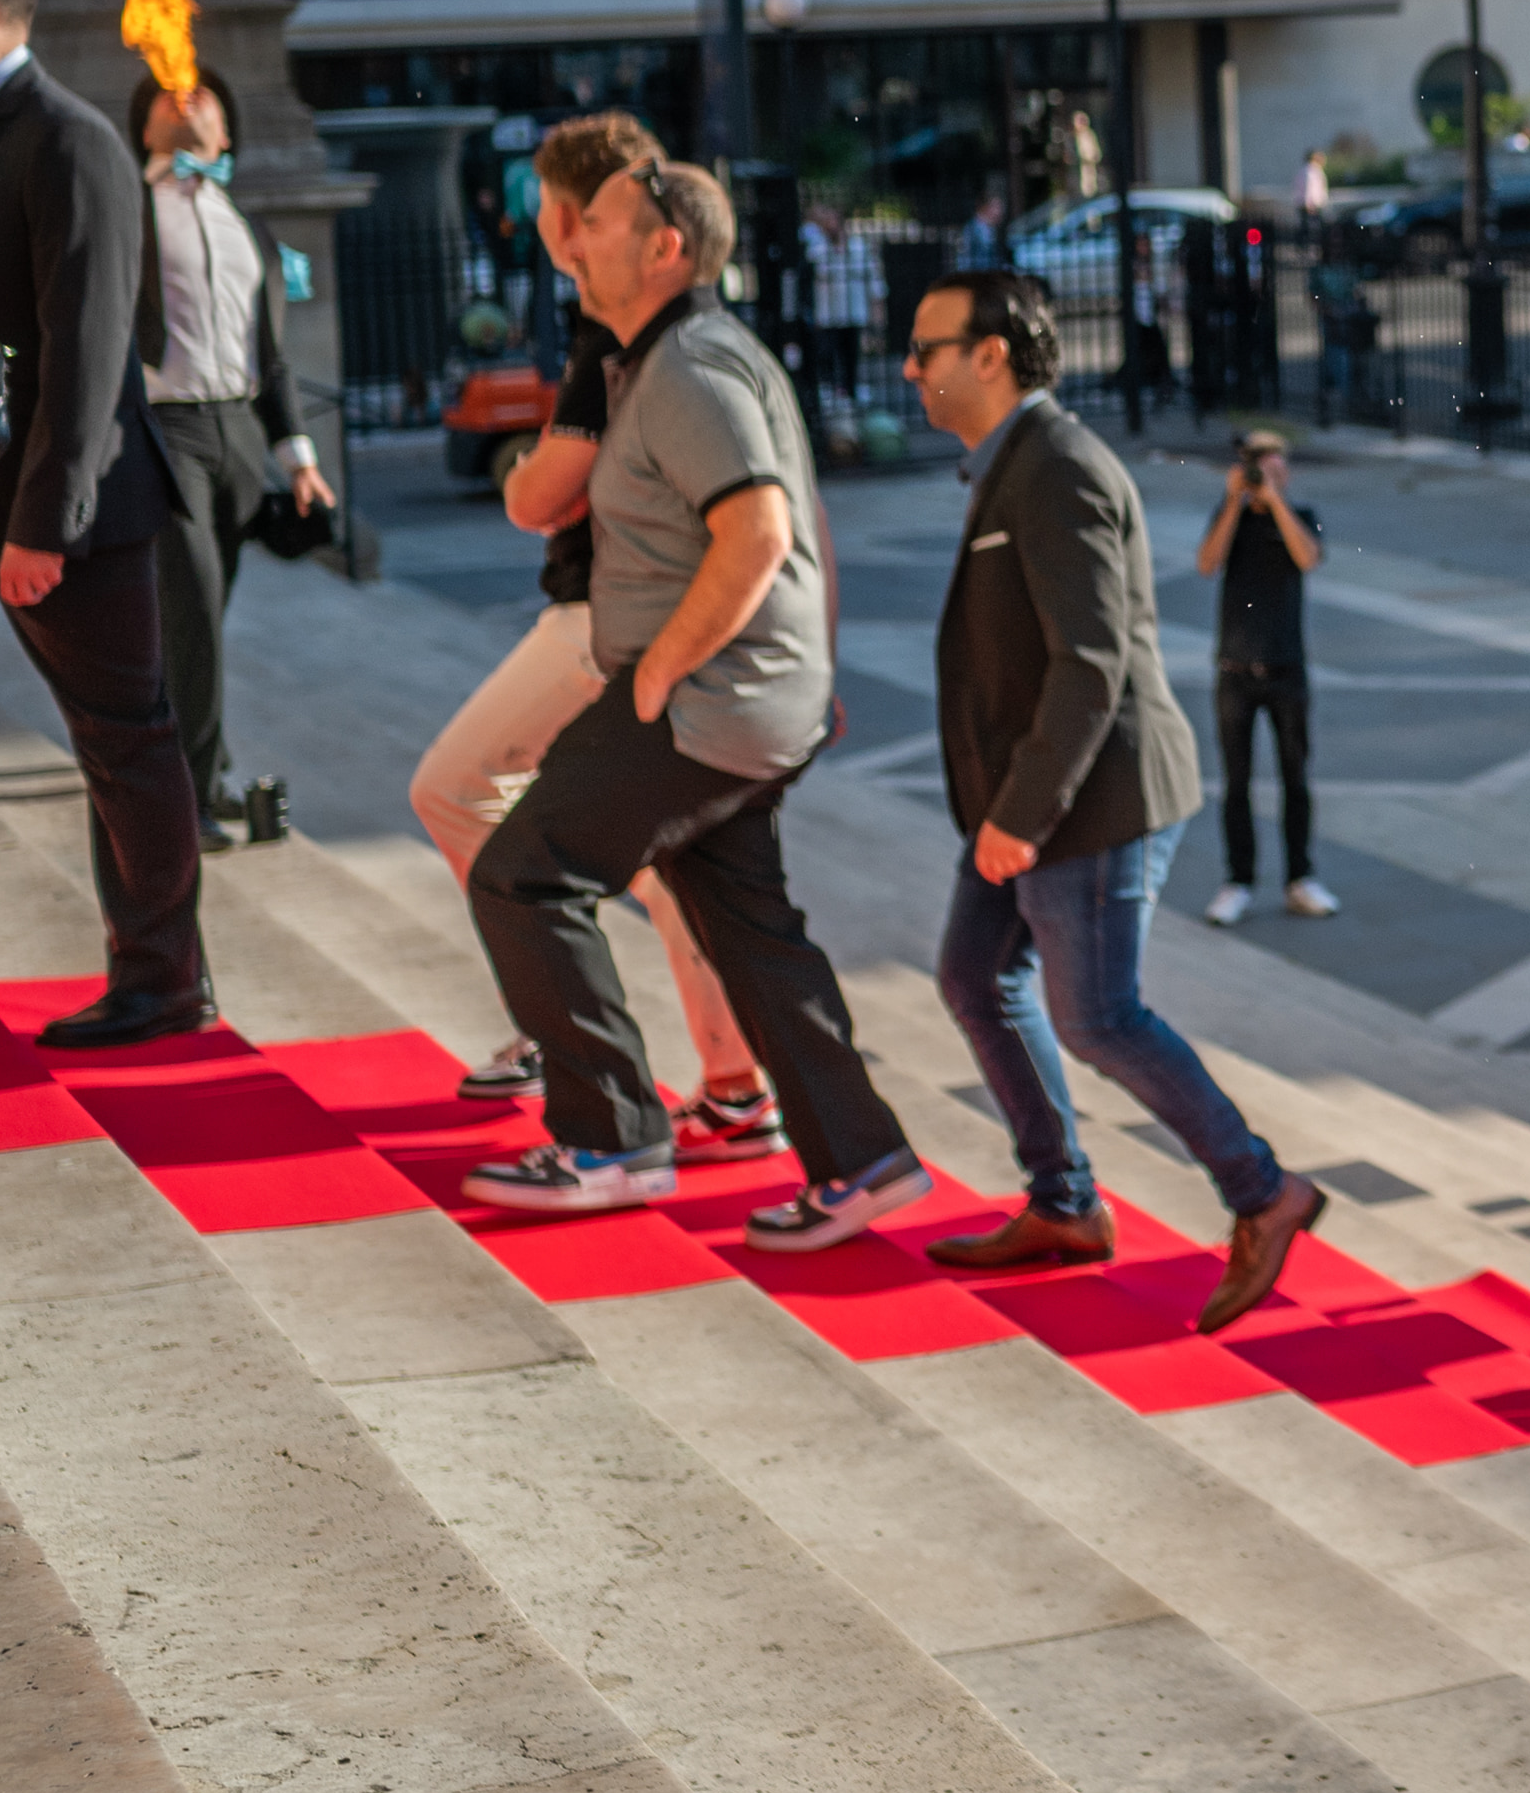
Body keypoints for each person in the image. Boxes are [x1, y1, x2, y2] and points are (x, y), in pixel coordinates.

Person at [453, 153, 922, 1248]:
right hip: (744, 699)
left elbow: (760, 529)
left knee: (524, 871)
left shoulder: (691, 367)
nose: (575, 242)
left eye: (600, 223)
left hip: (703, 698)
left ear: (665, 249)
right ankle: (864, 1158)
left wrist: (659, 672)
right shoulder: (670, 358)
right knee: (746, 925)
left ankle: (613, 1140)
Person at [901, 271, 1325, 1333]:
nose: (909, 368)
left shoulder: (1058, 468)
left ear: (990, 354)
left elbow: (1091, 664)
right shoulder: (1013, 463)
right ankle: (1065, 1201)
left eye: (926, 348)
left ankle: (1263, 1192)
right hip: (1031, 792)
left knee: (1099, 1016)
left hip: (1089, 796)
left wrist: (1021, 816)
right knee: (973, 975)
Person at [419, 113, 767, 1152]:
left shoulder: (622, 335)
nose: (550, 229)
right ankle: (729, 1080)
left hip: (605, 620)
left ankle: (562, 1022)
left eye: (555, 207)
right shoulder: (679, 329)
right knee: (660, 862)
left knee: (457, 792)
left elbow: (541, 498)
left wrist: (531, 476)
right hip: (637, 619)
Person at [0, 0, 203, 1047]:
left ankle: (163, 980)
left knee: (125, 739)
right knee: (124, 739)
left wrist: (44, 525)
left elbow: (91, 348)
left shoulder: (69, 138)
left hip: (63, 506)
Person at [131, 70, 330, 849]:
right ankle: (190, 798)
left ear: (225, 133)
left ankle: (193, 769)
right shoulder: (128, 209)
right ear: (144, 130)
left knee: (201, 618)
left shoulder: (249, 226)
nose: (186, 96)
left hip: (238, 435)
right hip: (166, 429)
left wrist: (299, 458)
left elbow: (271, 358)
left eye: (206, 94)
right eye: (166, 95)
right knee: (193, 608)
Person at [1192, 427, 1330, 925]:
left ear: (1285, 471)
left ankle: (1300, 877)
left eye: (1273, 466)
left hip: (1286, 669)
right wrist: (1234, 502)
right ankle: (1238, 880)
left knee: (1296, 777)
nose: (1264, 476)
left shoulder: (1301, 516)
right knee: (1236, 782)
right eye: (1256, 468)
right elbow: (1207, 563)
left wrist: (1275, 503)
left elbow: (1307, 557)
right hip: (1235, 671)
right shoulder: (1229, 516)